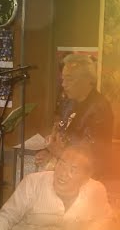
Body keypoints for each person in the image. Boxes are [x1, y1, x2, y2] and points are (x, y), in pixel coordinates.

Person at [35, 53, 113, 181]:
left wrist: (58, 152)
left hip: (88, 180)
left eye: (69, 79)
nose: (63, 84)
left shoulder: (99, 109)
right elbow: (62, 134)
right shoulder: (69, 102)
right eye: (63, 79)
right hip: (66, 174)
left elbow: (92, 158)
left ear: (87, 80)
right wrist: (48, 152)